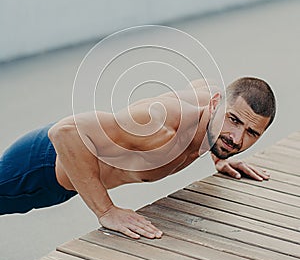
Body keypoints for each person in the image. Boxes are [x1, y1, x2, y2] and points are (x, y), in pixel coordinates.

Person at [0, 76, 276, 239]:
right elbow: (65, 132)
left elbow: (203, 85)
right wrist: (106, 211)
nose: (237, 138)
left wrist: (221, 156)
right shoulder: (161, 126)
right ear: (216, 104)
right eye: (234, 120)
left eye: (252, 132)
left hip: (68, 173)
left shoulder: (214, 112)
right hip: (38, 169)